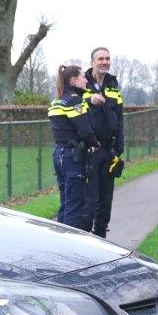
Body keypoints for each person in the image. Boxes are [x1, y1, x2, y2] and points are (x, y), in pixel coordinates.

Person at [49, 65, 100, 229]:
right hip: (73, 157)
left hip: (59, 155)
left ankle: (58, 244)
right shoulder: (73, 100)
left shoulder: (57, 101)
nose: (86, 80)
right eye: (83, 77)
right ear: (73, 80)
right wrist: (95, 144)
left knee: (65, 203)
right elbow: (85, 129)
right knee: (74, 207)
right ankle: (69, 250)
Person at [82, 47, 124, 237]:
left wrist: (119, 146)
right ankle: (83, 239)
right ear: (92, 62)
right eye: (100, 58)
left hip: (109, 149)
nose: (104, 62)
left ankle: (101, 238)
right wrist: (90, 99)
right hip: (90, 150)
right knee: (90, 199)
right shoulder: (82, 83)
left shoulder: (113, 84)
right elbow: (70, 104)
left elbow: (120, 117)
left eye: (107, 58)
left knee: (106, 198)